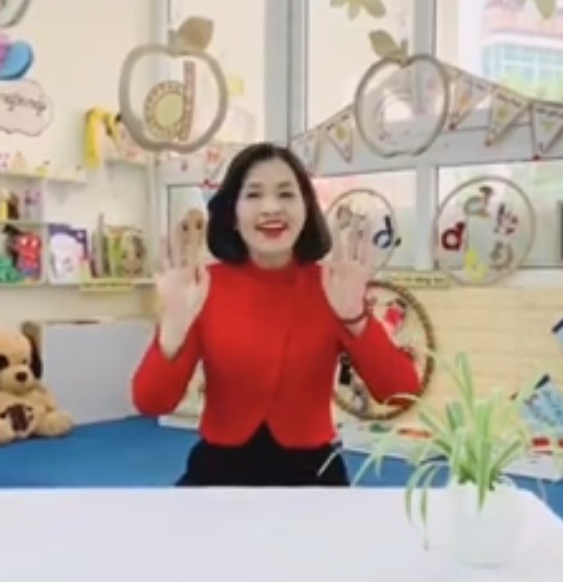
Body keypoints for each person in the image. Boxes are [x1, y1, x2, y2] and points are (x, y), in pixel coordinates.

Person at [132, 142, 420, 487]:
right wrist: (173, 328)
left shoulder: (332, 285)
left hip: (312, 473)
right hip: (220, 471)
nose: (271, 208)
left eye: (286, 194)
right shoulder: (202, 287)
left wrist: (355, 317)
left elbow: (401, 392)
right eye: (253, 195)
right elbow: (150, 402)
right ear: (233, 214)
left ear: (306, 209)